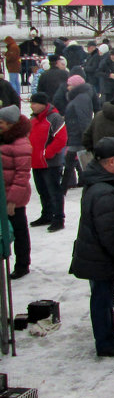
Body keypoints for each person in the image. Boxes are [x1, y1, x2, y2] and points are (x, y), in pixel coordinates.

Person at [69, 137, 114, 357]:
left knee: (103, 298)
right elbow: (110, 234)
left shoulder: (101, 182)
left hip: (97, 255)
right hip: (100, 258)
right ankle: (105, 342)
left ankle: (108, 333)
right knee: (100, 299)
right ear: (110, 161)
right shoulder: (103, 192)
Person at [0, 106, 32, 279]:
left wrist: (12, 199)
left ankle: (22, 264)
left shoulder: (20, 143)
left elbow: (22, 175)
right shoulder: (5, 138)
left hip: (14, 197)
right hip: (2, 193)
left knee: (19, 231)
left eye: (2, 122)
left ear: (11, 124)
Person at [28, 92, 67, 232]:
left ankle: (58, 218)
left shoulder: (54, 118)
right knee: (42, 191)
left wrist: (46, 153)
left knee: (54, 191)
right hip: (36, 162)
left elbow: (61, 139)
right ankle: (47, 215)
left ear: (42, 104)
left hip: (50, 163)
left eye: (34, 103)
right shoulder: (32, 119)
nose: (31, 106)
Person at [61, 75, 95, 193]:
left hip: (78, 135)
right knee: (73, 162)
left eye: (70, 85)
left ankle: (64, 187)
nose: (68, 87)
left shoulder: (81, 98)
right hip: (76, 134)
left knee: (78, 163)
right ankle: (66, 186)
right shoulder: (80, 97)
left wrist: (86, 137)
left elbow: (84, 119)